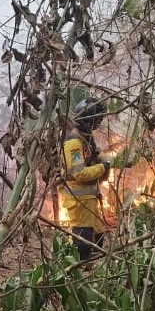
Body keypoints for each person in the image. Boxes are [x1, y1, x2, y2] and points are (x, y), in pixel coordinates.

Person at [58, 97, 110, 261]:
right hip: (78, 201)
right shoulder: (73, 143)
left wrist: (103, 159)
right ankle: (77, 274)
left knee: (98, 236)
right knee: (83, 242)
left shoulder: (86, 137)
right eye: (97, 120)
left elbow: (96, 154)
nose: (99, 123)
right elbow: (79, 173)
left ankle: (91, 268)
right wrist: (103, 167)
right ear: (89, 121)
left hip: (90, 200)